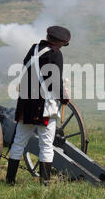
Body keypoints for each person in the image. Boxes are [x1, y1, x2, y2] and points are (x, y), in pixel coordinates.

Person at [6, 26, 70, 186]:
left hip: (26, 103)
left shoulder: (34, 48)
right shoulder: (55, 53)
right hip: (43, 105)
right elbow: (55, 81)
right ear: (60, 42)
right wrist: (64, 97)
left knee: (19, 141)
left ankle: (10, 180)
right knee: (46, 145)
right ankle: (45, 183)